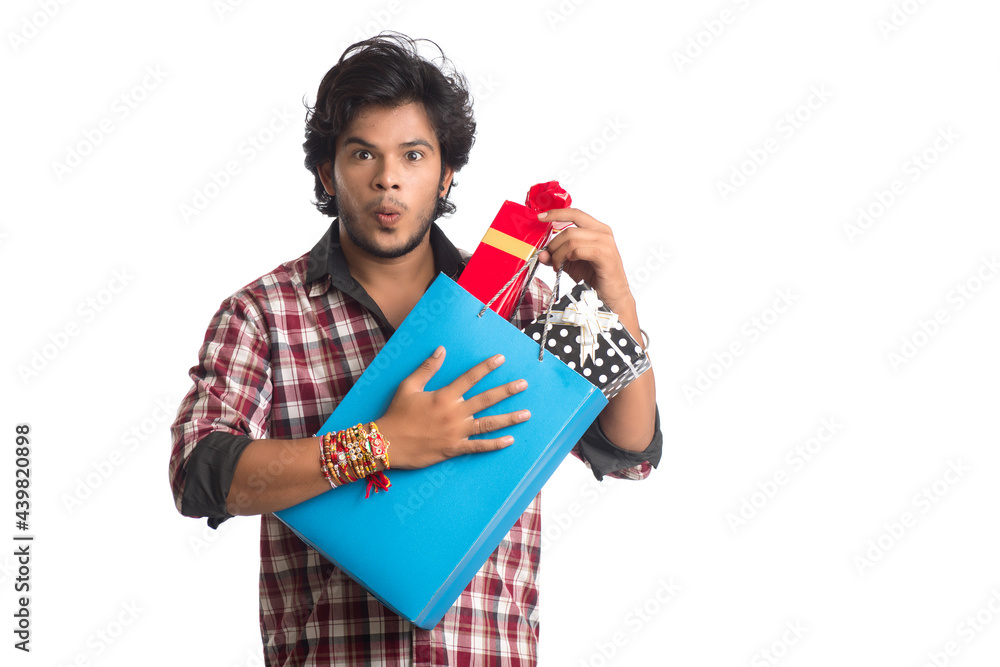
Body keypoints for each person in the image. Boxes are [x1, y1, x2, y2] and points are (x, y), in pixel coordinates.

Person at [168, 32, 662, 666]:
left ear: (446, 171)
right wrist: (379, 444)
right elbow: (199, 474)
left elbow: (628, 451)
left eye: (413, 155)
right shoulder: (265, 312)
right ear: (329, 170)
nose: (388, 180)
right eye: (362, 155)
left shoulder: (521, 301)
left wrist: (616, 300)